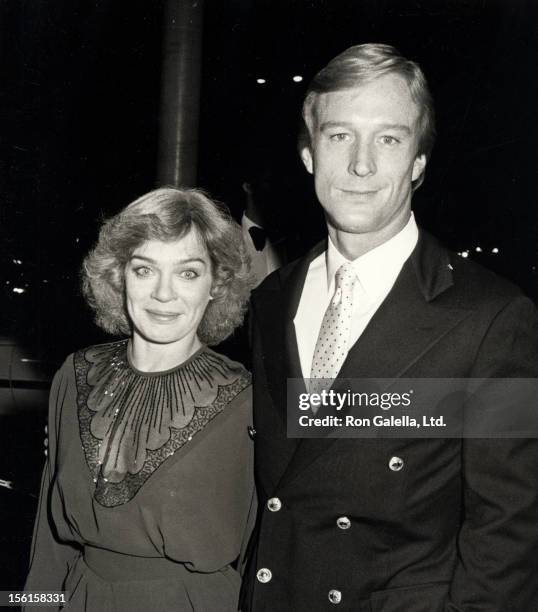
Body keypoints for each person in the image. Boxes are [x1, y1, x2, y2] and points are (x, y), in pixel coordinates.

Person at [241, 44, 538, 611]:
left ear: (418, 163)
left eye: (389, 139)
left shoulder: (495, 316)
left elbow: (511, 532)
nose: (361, 165)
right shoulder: (272, 300)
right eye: (339, 136)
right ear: (308, 154)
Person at [25, 187, 256, 611]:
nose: (163, 294)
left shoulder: (249, 400)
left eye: (188, 272)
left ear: (215, 284)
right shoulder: (74, 376)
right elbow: (50, 545)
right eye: (144, 269)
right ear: (119, 276)